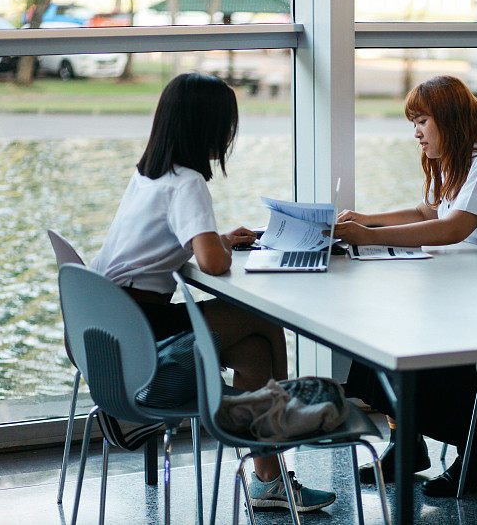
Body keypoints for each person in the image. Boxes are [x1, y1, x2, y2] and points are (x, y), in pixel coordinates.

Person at [91, 73, 335, 513]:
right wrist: (218, 244)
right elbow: (212, 264)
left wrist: (217, 236)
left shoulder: (149, 174)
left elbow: (175, 245)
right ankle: (285, 424)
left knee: (255, 351)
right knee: (263, 320)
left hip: (115, 329)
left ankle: (270, 476)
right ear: (207, 129)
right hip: (142, 341)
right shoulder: (187, 183)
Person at [334, 75, 477, 497]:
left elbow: (451, 229)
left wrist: (369, 237)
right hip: (474, 279)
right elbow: (423, 211)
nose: (416, 132)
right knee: (384, 329)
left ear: (447, 119)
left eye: (422, 121)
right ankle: (406, 442)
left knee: (450, 356)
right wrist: (365, 219)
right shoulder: (456, 158)